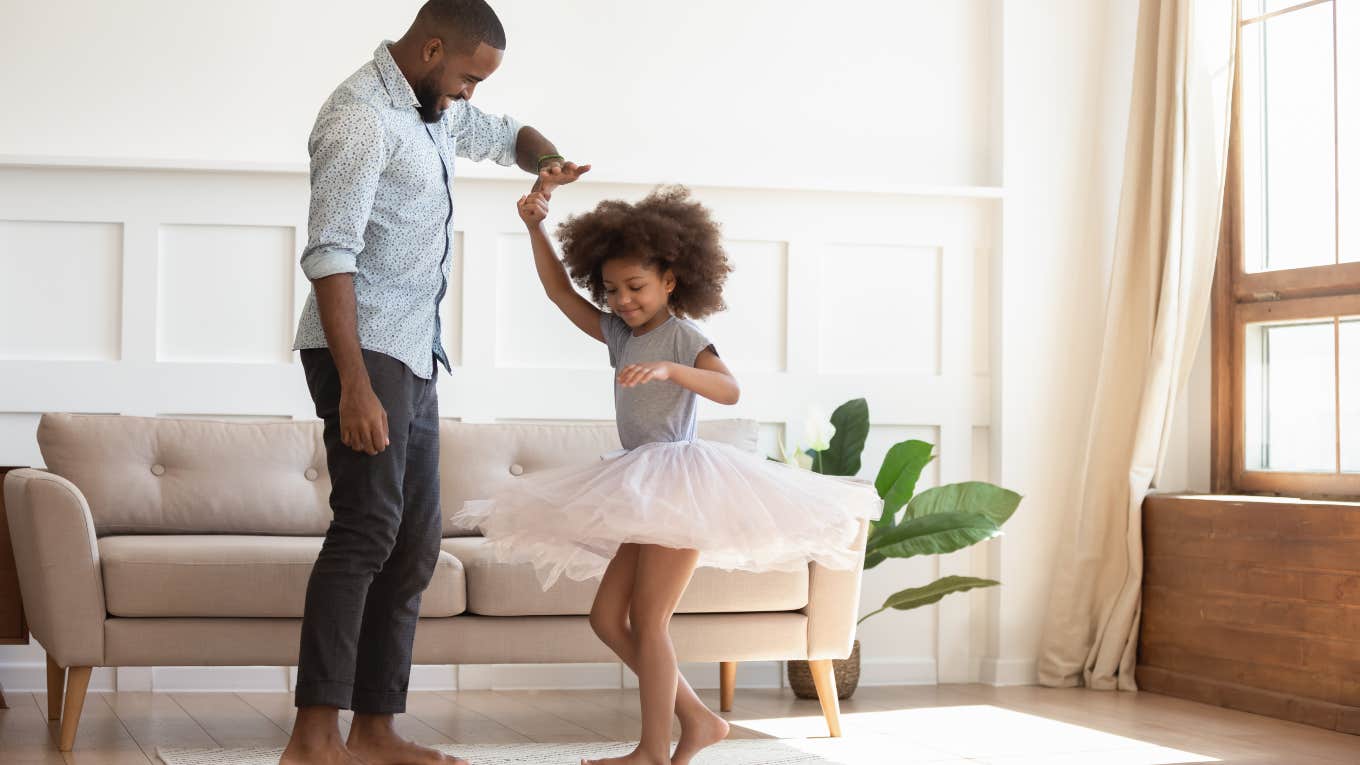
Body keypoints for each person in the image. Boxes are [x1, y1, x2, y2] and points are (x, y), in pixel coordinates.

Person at [454, 183, 879, 765]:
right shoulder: (620, 334)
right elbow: (558, 294)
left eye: (636, 287)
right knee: (607, 618)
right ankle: (700, 719)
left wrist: (671, 371)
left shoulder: (684, 337)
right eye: (611, 289)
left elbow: (729, 390)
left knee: (648, 621)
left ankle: (653, 750)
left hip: (680, 483)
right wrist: (534, 228)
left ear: (671, 281)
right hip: (640, 482)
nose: (623, 300)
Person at [284, 2, 588, 764]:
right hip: (362, 348)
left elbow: (508, 133)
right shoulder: (360, 119)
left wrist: (546, 158)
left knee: (415, 542)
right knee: (367, 528)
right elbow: (330, 254)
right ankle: (312, 738)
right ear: (429, 49)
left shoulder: (435, 108)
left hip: (416, 353)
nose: (471, 96)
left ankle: (376, 731)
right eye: (466, 78)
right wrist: (354, 384)